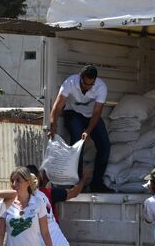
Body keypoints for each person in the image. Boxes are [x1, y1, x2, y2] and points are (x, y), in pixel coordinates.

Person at [48, 65, 112, 193]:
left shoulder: (101, 87)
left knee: (105, 146)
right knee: (78, 143)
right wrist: (53, 125)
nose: (87, 87)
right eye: (85, 84)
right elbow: (58, 105)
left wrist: (88, 130)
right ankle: (77, 184)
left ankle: (97, 183)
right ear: (80, 78)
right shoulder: (70, 82)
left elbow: (97, 113)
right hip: (73, 113)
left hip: (91, 116)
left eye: (91, 85)